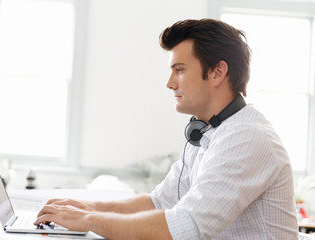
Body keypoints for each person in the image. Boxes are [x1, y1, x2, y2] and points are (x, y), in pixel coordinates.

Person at [34, 19, 299, 239]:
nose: (170, 83)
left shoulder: (246, 136)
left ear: (217, 73)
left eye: (180, 70)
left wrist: (89, 220)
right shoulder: (208, 132)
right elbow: (158, 202)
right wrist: (87, 207)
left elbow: (185, 227)